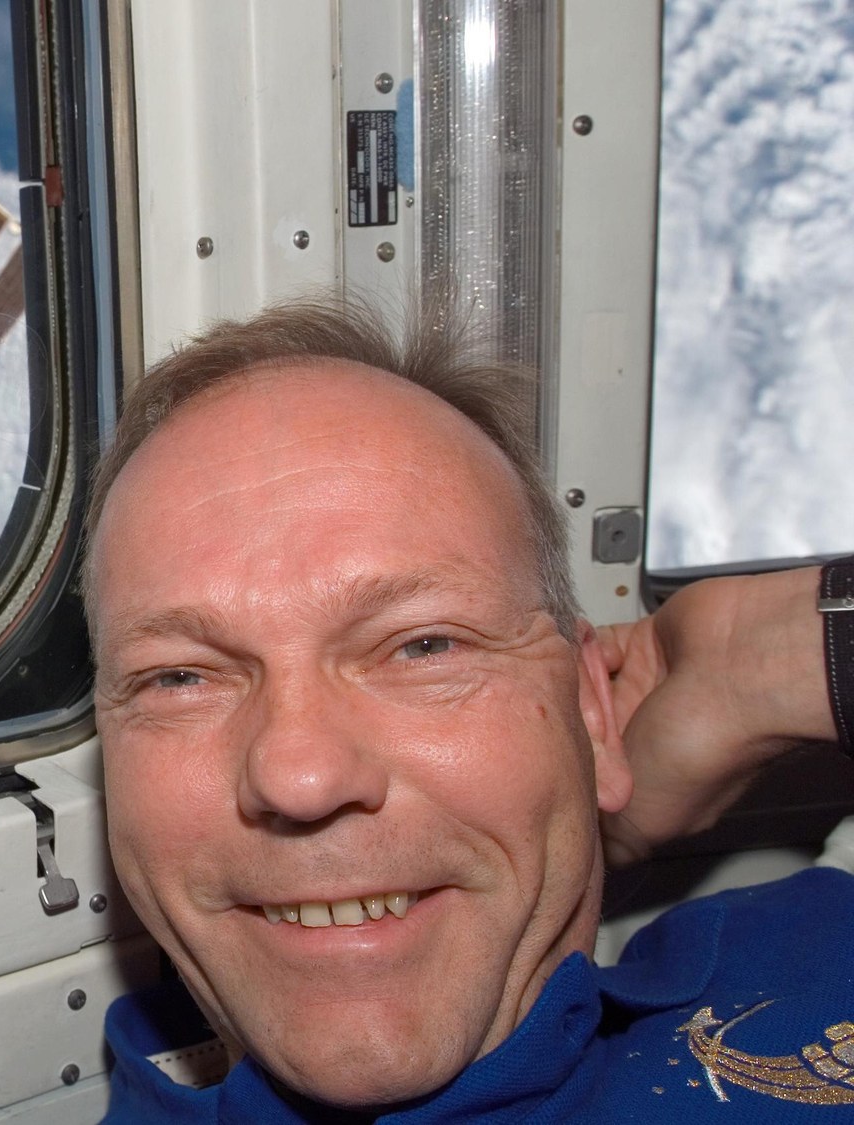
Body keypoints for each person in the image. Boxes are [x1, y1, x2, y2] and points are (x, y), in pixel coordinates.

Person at [83, 299, 854, 1121]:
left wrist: (771, 656)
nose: (300, 776)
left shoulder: (817, 944)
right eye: (179, 678)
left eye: (424, 646)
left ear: (591, 709)